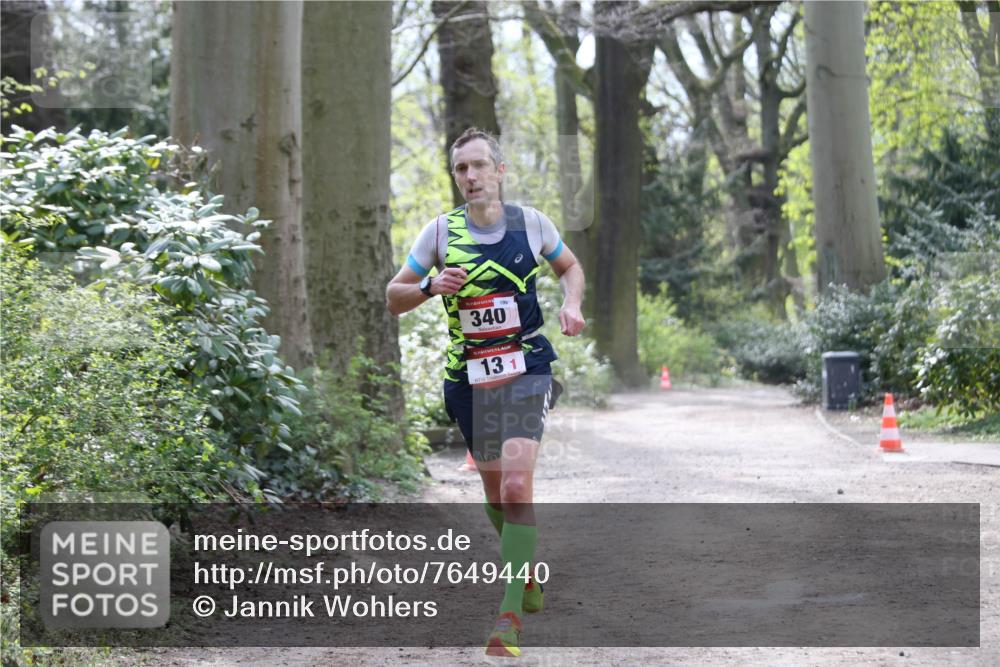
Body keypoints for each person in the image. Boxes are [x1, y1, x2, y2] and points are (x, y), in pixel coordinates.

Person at [386, 127, 585, 658]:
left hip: (527, 369)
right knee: (497, 496)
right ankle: (527, 575)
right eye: (461, 169)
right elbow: (393, 297)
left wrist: (572, 305)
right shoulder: (440, 233)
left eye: (479, 166)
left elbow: (570, 267)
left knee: (518, 487)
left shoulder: (532, 224)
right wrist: (429, 287)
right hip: (470, 380)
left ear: (500, 171)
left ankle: (508, 617)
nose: (470, 177)